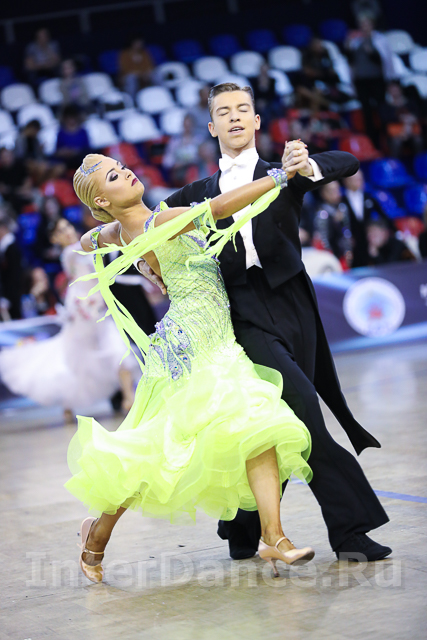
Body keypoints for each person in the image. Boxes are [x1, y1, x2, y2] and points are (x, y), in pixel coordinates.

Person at [142, 82, 391, 563]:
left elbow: (347, 161)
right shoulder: (196, 194)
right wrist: (145, 262)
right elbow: (147, 226)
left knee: (274, 422)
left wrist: (306, 164)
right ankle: (351, 532)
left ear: (257, 121)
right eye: (224, 112)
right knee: (305, 413)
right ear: (211, 127)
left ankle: (242, 526)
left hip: (297, 305)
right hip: (243, 314)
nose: (235, 117)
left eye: (243, 109)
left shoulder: (283, 174)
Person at [65, 153, 316, 583]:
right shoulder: (159, 221)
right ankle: (97, 533)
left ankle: (274, 536)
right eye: (114, 176)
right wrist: (280, 177)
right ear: (103, 200)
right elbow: (218, 208)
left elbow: (87, 241)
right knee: (160, 448)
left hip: (216, 342)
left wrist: (132, 251)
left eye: (122, 166)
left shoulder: (124, 229)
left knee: (257, 427)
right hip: (191, 346)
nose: (127, 171)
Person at [0, 218, 135, 422]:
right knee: (77, 359)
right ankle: (69, 403)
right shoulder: (71, 252)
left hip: (97, 306)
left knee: (116, 349)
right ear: (55, 238)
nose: (68, 232)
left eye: (68, 227)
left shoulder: (79, 248)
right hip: (83, 310)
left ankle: (128, 398)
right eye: (61, 230)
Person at [346, 15, 396, 145]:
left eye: (367, 24)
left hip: (377, 80)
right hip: (361, 81)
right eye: (362, 25)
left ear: (372, 25)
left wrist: (371, 53)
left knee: (382, 109)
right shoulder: (355, 41)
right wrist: (348, 46)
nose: (364, 27)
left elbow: (385, 61)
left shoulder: (380, 40)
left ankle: (388, 139)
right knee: (366, 112)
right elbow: (350, 60)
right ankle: (372, 142)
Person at [342, 169, 395, 267]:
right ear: (346, 181)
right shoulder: (341, 202)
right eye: (355, 179)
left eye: (360, 178)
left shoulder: (369, 198)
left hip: (368, 241)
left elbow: (383, 216)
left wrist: (393, 231)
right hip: (352, 245)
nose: (359, 181)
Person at [313, 181, 354, 269]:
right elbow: (323, 239)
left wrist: (348, 252)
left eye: (337, 190)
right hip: (330, 255)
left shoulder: (343, 208)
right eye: (331, 191)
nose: (336, 194)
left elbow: (347, 232)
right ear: (323, 193)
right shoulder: (322, 213)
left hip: (344, 254)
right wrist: (330, 258)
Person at [0, 211, 23, 320]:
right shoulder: (5, 247)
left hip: (13, 296)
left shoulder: (12, 247)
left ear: (3, 228)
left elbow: (14, 276)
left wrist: (8, 298)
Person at [55, 106, 90, 172]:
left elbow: (87, 149)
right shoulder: (61, 133)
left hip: (80, 160)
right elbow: (58, 151)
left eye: (73, 118)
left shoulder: (83, 132)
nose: (71, 120)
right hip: (65, 161)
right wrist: (64, 152)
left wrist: (76, 151)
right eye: (69, 118)